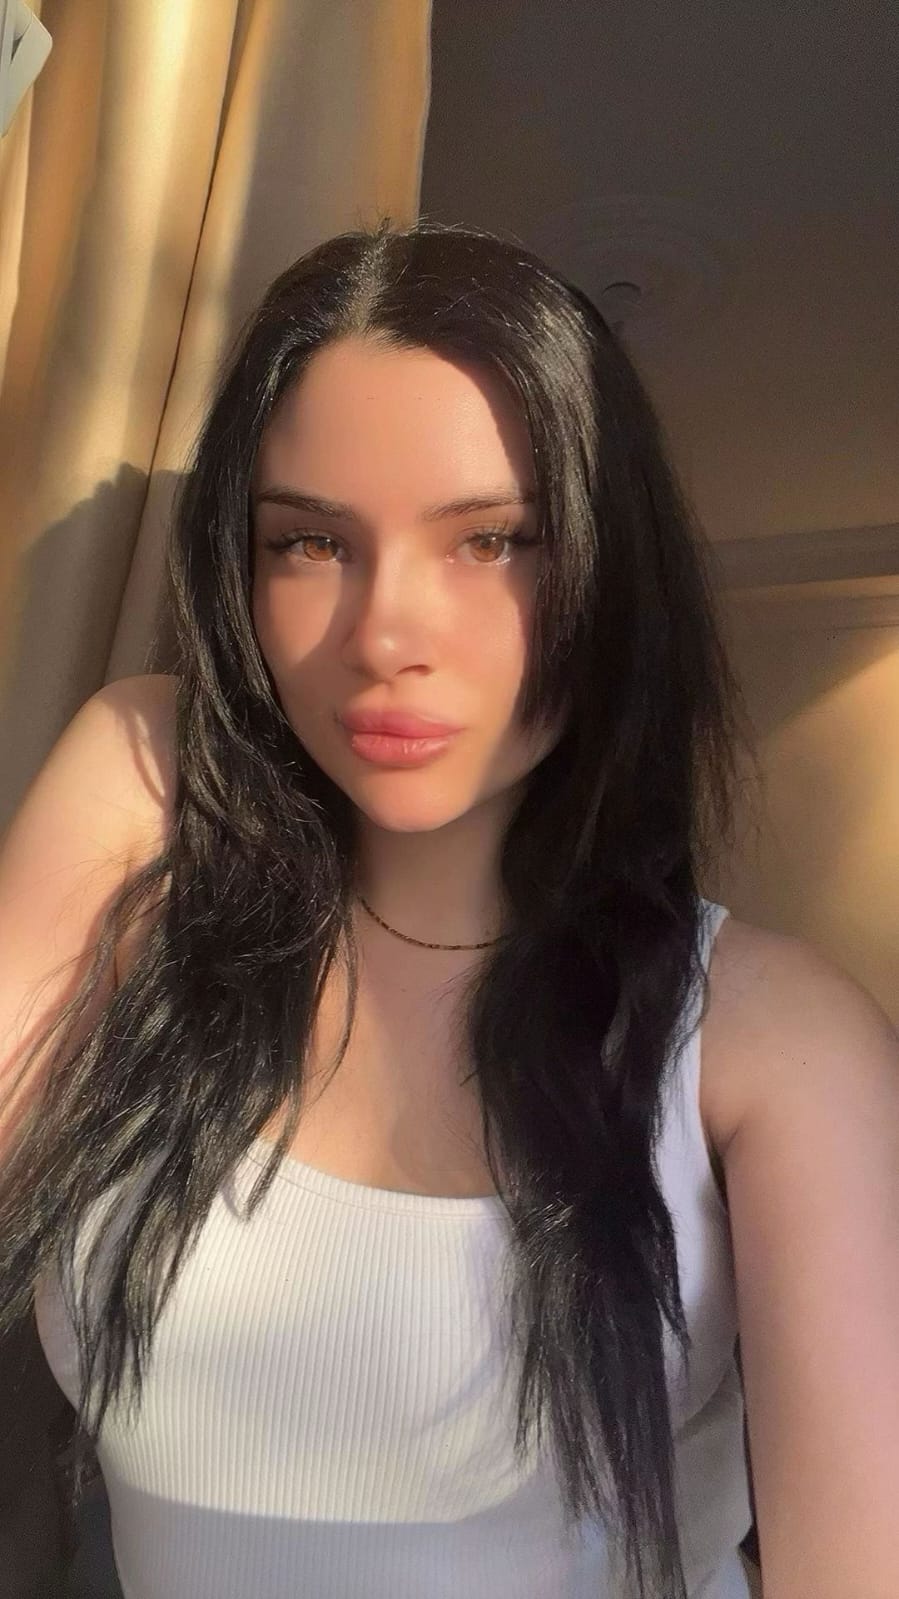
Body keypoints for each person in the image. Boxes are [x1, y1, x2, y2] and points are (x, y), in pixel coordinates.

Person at [1, 217, 897, 1599]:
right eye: (310, 542)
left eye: (492, 541)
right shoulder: (147, 792)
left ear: (608, 568)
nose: (383, 636)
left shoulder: (771, 1042)